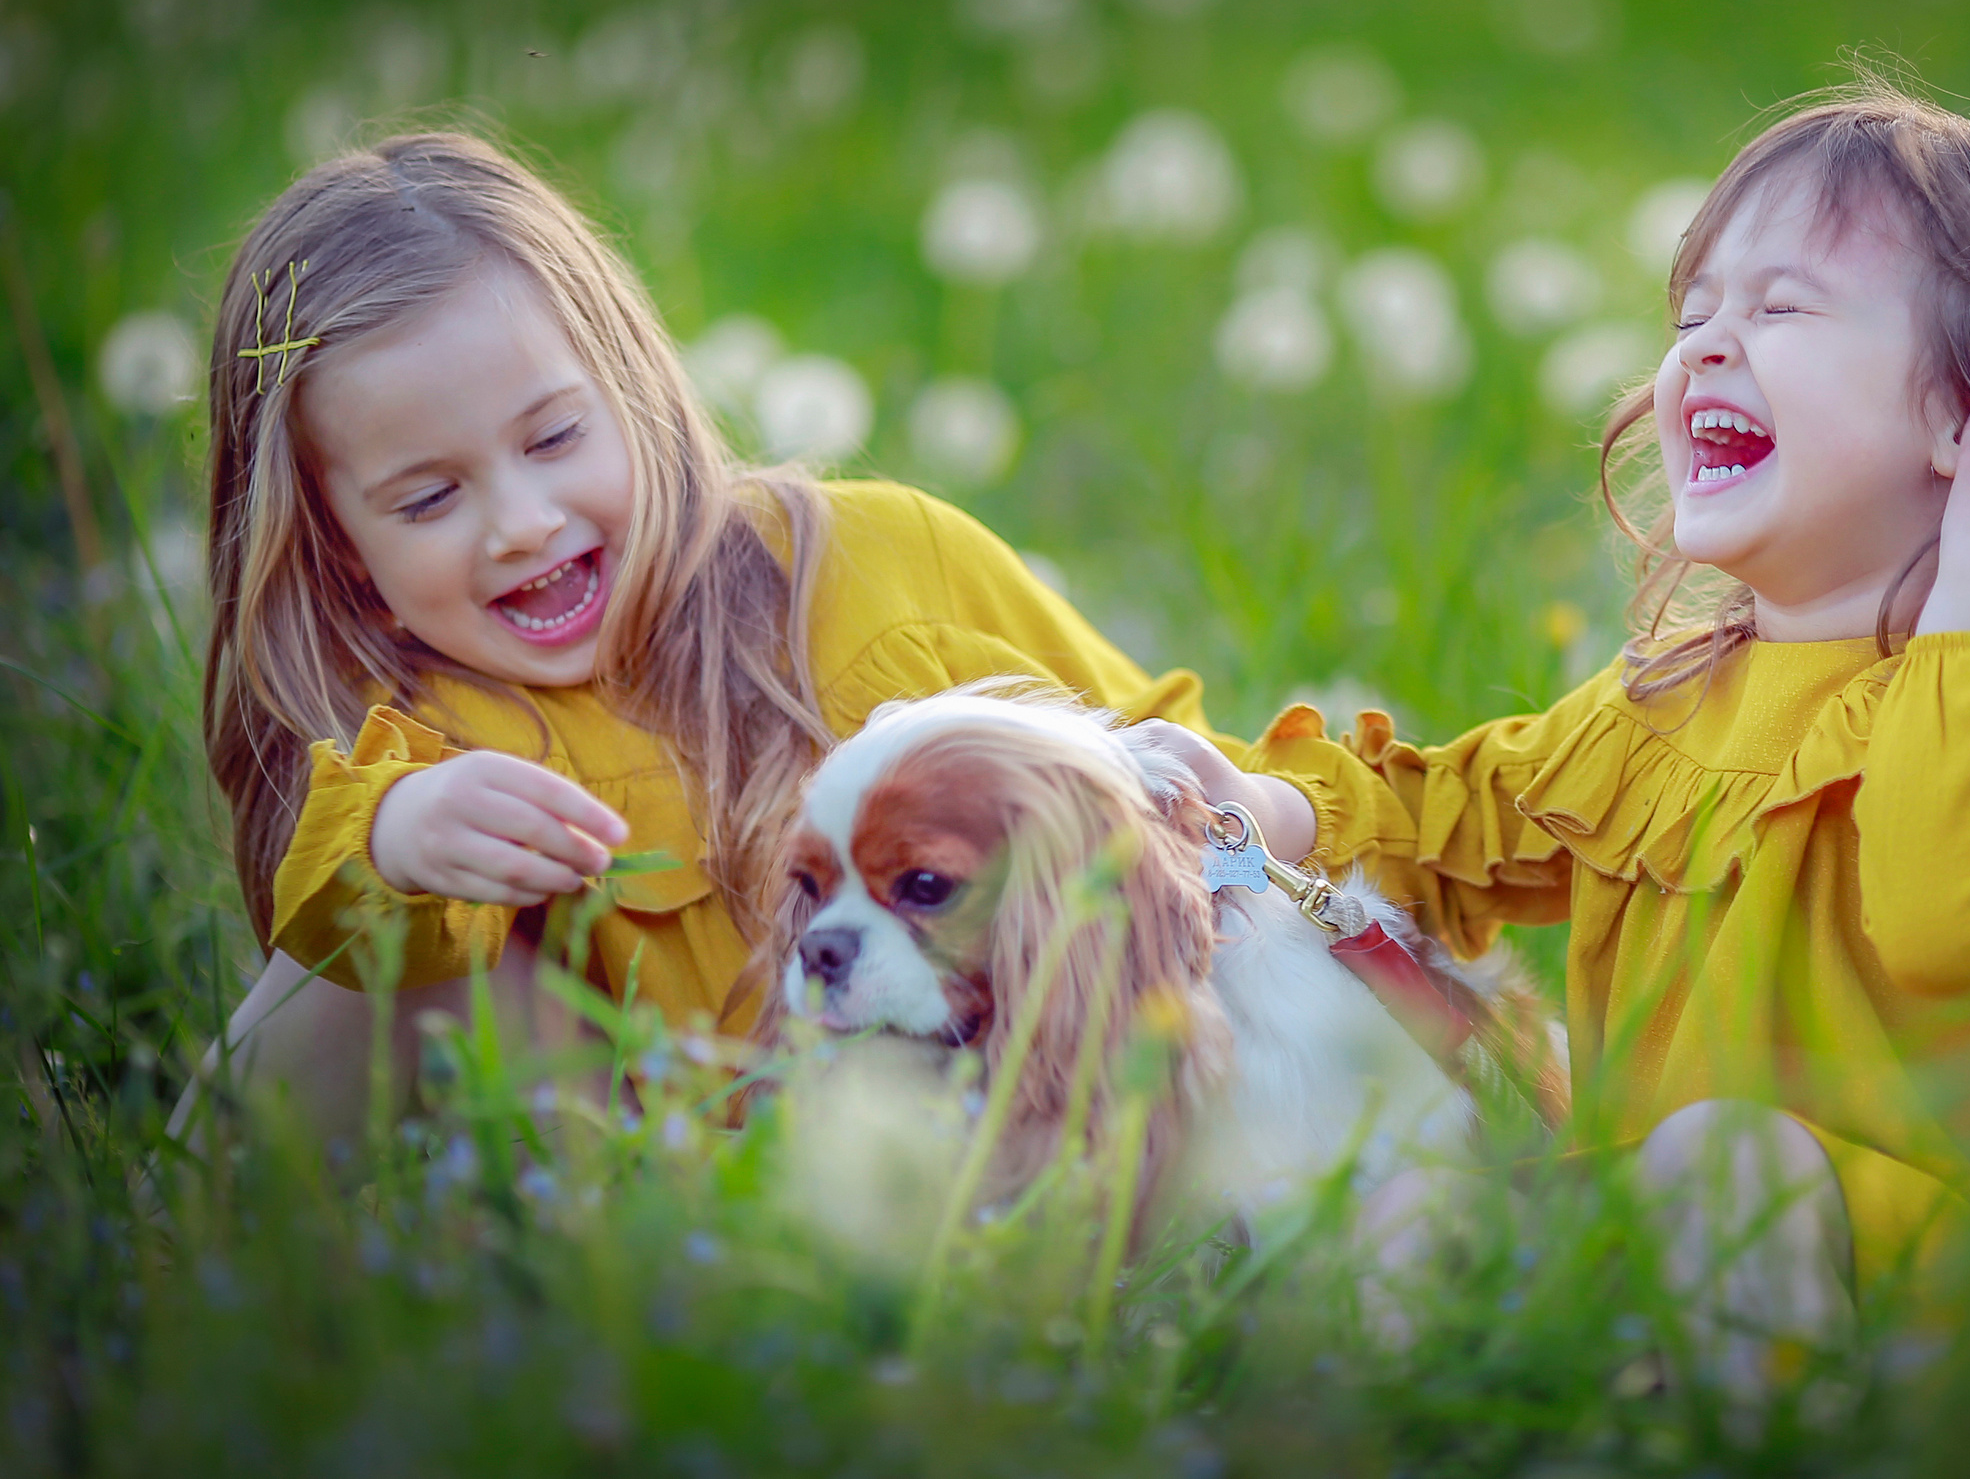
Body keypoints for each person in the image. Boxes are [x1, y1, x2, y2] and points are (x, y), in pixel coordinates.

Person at [1173, 81, 1970, 1344]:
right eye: (1693, 312)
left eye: (1780, 308)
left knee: (1724, 1166)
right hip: (1696, 1277)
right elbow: (1448, 824)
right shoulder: (1671, 703)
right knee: (1412, 1211)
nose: (1702, 345)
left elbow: (1956, 930)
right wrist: (1263, 805)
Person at [172, 131, 1318, 1149]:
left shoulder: (882, 567)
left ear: (634, 394)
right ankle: (166, 1260)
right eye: (429, 499)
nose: (521, 524)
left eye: (555, 437)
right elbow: (321, 932)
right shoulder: (414, 740)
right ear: (338, 550)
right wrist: (393, 841)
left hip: (1019, 1131)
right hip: (672, 1204)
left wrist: (1263, 818)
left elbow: (1214, 808)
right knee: (373, 970)